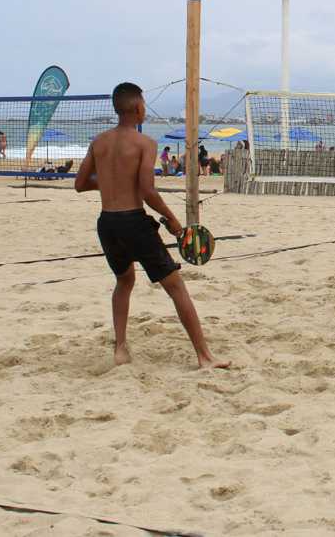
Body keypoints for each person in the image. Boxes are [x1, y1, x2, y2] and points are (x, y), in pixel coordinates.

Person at [74, 82, 229, 369]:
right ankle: (205, 356)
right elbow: (147, 190)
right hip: (134, 221)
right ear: (137, 108)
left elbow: (80, 184)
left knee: (124, 281)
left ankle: (120, 349)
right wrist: (171, 219)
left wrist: (111, 183)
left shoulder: (99, 142)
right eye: (143, 103)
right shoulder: (146, 144)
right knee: (176, 287)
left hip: (107, 223)